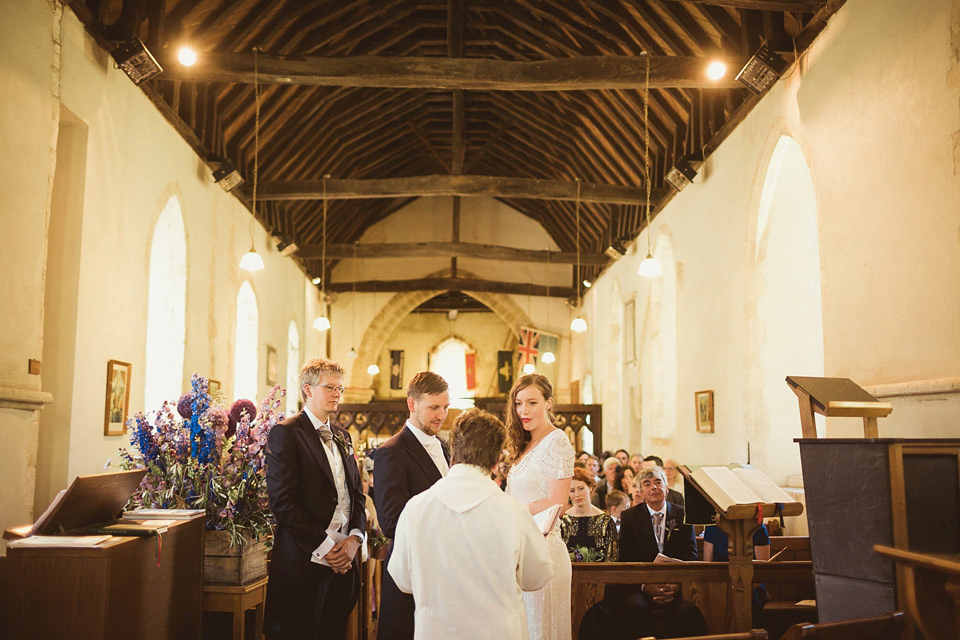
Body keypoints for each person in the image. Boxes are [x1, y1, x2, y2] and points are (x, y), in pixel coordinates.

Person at [388, 408, 554, 639]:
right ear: (497, 461)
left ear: (453, 452)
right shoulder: (513, 512)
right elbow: (537, 576)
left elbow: (402, 579)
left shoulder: (417, 508)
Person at [263, 357, 366, 640]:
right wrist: (326, 547)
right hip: (304, 561)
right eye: (330, 387)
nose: (337, 394)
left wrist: (354, 539)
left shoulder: (343, 436)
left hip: (344, 561)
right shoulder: (286, 433)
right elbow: (283, 504)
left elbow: (356, 495)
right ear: (308, 390)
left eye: (340, 389)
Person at [373, 372, 451, 640]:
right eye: (434, 407)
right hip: (411, 569)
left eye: (445, 407)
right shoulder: (390, 451)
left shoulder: (444, 446)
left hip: (445, 570)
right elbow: (392, 521)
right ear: (412, 404)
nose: (441, 415)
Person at [506, 373, 575, 640]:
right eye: (518, 403)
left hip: (544, 548)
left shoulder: (557, 442)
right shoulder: (526, 443)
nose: (523, 410)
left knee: (539, 631)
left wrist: (510, 509)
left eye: (532, 402)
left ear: (549, 403)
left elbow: (557, 501)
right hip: (521, 546)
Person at [561, 467, 618, 563]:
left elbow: (612, 558)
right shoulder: (562, 520)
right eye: (572, 491)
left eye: (581, 488)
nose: (577, 494)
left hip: (600, 575)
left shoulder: (605, 521)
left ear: (590, 488)